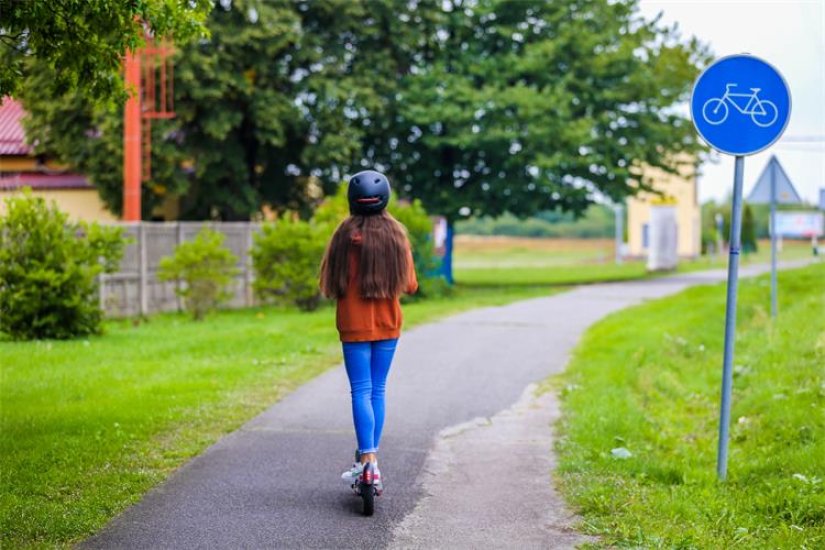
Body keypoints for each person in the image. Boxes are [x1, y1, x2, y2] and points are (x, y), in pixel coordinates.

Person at [319, 170, 418, 492]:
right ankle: (371, 466)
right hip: (388, 323)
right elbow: (411, 285)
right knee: (378, 390)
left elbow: (332, 283)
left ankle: (367, 461)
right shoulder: (396, 236)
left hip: (352, 323)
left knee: (360, 390)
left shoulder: (342, 236)